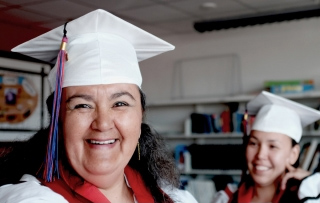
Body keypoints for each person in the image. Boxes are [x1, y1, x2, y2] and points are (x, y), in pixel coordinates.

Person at [0, 9, 198, 203]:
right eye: (82, 106)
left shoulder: (175, 197)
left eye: (120, 103)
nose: (103, 124)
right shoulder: (32, 199)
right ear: (57, 119)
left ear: (141, 116)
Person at [212, 91, 320, 203]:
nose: (260, 155)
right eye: (253, 143)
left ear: (293, 154)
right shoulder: (227, 199)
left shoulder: (308, 198)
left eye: (273, 146)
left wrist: (313, 183)